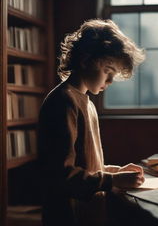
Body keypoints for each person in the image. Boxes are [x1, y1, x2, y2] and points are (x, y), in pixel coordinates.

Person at [37, 19, 146, 226]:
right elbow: (61, 176)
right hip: (67, 215)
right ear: (85, 60)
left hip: (88, 212)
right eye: (108, 71)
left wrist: (116, 171)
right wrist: (112, 181)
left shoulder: (87, 102)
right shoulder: (63, 102)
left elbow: (86, 165)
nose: (110, 81)